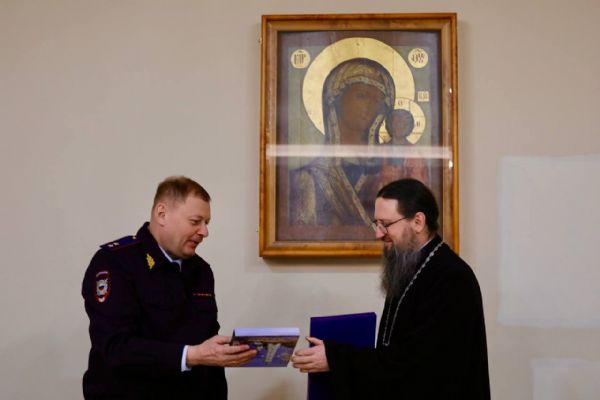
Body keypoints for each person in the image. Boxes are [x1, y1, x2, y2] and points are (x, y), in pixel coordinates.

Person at [292, 178, 490, 399]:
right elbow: (394, 352)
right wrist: (338, 354)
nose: (378, 233)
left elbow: (417, 366)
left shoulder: (451, 278)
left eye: (385, 224)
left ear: (418, 221)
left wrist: (336, 358)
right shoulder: (409, 264)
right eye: (376, 224)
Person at [81, 176, 256, 399]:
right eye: (195, 221)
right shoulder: (115, 262)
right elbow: (116, 347)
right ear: (162, 214)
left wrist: (222, 353)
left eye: (207, 223)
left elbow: (207, 354)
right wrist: (192, 355)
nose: (204, 232)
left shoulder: (200, 270)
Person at [290, 58, 395, 229]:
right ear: (336, 99)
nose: (371, 106)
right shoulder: (309, 179)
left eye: (378, 100)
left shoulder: (390, 169)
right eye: (362, 95)